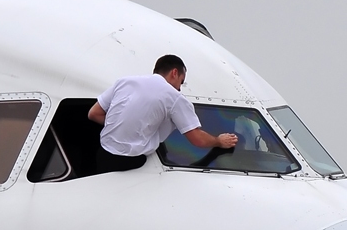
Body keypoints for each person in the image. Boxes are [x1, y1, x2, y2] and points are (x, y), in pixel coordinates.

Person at [88, 54, 238, 173]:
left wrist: (122, 124)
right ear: (174, 73)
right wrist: (219, 141)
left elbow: (94, 114)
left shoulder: (124, 81)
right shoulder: (174, 97)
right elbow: (197, 140)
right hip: (130, 163)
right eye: (181, 81)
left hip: (103, 155)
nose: (180, 88)